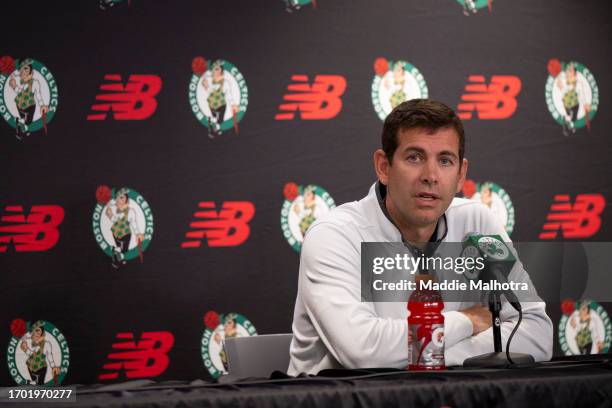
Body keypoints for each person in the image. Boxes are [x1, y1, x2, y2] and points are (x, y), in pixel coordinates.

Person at [288, 99, 552, 375]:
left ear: (461, 175)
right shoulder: (335, 235)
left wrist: (430, 353)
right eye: (414, 157)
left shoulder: (478, 223)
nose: (431, 176)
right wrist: (467, 321)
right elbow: (363, 351)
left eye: (445, 161)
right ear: (384, 167)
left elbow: (536, 332)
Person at [8, 59, 49, 140]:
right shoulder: (23, 82)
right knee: (27, 120)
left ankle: (25, 130)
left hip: (27, 104)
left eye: (26, 69)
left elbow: (38, 95)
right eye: (21, 70)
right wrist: (14, 86)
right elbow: (20, 92)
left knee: (26, 120)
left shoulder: (34, 82)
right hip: (22, 104)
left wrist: (42, 105)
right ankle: (18, 121)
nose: (23, 71)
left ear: (31, 71)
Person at [105, 188, 144, 268]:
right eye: (118, 198)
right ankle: (116, 261)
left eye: (122, 197)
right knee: (120, 249)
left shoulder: (130, 211)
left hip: (125, 233)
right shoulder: (115, 209)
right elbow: (114, 220)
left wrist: (137, 233)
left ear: (126, 199)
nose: (119, 200)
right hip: (116, 232)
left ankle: (114, 250)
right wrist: (109, 214)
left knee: (123, 250)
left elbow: (134, 223)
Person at [201, 60, 238, 138]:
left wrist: (233, 104)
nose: (216, 71)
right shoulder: (209, 80)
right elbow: (210, 91)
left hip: (221, 104)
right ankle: (217, 128)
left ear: (221, 70)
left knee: (220, 120)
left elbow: (229, 94)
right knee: (215, 118)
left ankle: (210, 120)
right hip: (212, 103)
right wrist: (205, 85)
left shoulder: (226, 82)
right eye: (214, 69)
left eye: (218, 69)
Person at [20, 321, 60, 385]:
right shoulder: (30, 342)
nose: (36, 333)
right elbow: (31, 354)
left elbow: (49, 356)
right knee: (36, 386)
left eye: (38, 331)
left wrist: (53, 367)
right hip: (31, 368)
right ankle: (33, 382)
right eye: (34, 331)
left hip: (41, 369)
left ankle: (32, 382)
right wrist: (25, 349)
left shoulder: (47, 344)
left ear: (42, 334)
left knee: (40, 385)